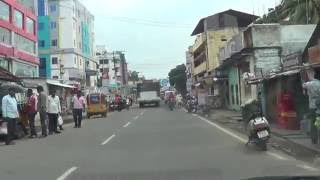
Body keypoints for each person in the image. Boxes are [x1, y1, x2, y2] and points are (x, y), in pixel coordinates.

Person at [303, 71, 320, 144]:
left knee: (313, 124)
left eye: (308, 74)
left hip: (312, 107)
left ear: (310, 75)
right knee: (318, 123)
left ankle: (314, 140)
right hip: (319, 106)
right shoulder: (319, 83)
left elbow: (303, 85)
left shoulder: (309, 84)